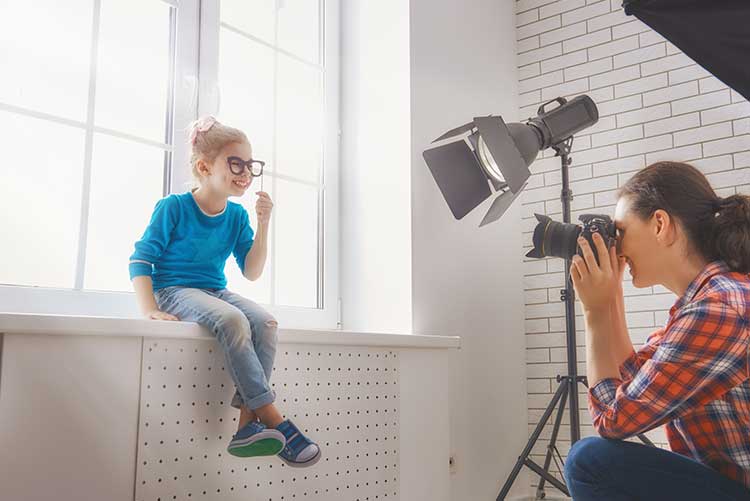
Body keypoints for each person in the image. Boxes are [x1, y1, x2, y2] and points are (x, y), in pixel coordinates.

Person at [129, 116, 321, 468]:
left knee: (266, 322)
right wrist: (149, 308)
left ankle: (247, 425)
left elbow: (251, 271)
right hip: (174, 289)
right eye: (236, 163)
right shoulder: (173, 207)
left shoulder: (235, 216)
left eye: (250, 165)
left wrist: (263, 223)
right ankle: (275, 418)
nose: (246, 172)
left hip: (214, 291)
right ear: (204, 166)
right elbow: (141, 261)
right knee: (233, 319)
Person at [564, 161, 750, 500]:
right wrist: (611, 296)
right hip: (728, 483)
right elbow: (631, 377)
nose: (616, 247)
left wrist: (594, 313)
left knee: (588, 462)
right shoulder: (704, 300)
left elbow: (612, 420)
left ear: (660, 224)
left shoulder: (716, 308)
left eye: (620, 232)